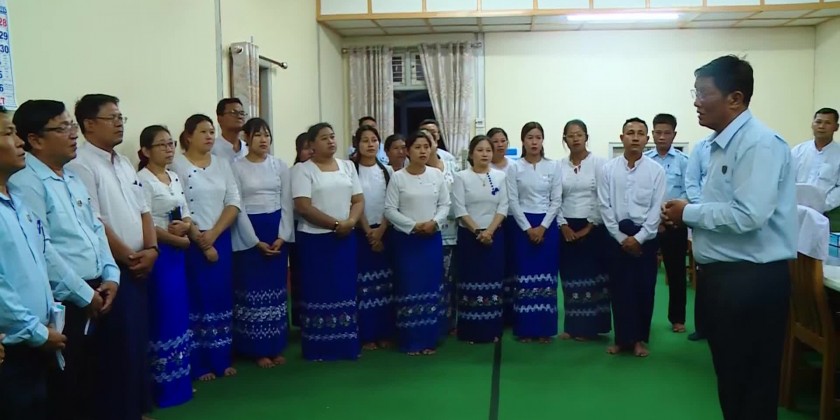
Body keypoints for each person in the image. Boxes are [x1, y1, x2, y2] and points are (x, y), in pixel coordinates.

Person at [662, 55, 796, 420]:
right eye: (695, 92)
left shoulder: (759, 144)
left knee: (752, 387)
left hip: (751, 281)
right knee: (732, 381)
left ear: (735, 98)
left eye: (704, 93)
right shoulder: (717, 145)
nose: (696, 102)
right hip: (724, 279)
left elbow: (749, 214)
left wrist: (688, 213)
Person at [8, 100, 120, 420]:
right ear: (35, 139)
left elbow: (95, 228)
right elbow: (43, 250)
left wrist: (111, 275)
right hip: (66, 299)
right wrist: (85, 295)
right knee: (67, 387)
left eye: (72, 126)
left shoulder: (71, 176)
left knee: (94, 380)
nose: (74, 134)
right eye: (63, 128)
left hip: (97, 289)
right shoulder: (26, 181)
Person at [67, 94, 158, 420]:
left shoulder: (123, 162)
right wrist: (130, 257)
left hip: (140, 263)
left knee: (138, 342)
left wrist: (152, 249)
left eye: (122, 118)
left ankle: (137, 408)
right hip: (114, 269)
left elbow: (144, 210)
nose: (120, 123)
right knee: (118, 347)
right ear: (89, 124)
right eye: (112, 118)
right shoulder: (81, 164)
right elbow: (95, 222)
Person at [0, 108, 68, 420]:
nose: (19, 143)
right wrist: (36, 331)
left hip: (39, 337)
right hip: (14, 345)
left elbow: (39, 261)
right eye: (8, 133)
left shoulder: (17, 199)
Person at [171, 114, 241, 381]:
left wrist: (214, 233)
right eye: (203, 131)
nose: (210, 136)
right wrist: (201, 239)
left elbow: (233, 201)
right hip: (191, 242)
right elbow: (179, 207)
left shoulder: (222, 164)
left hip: (219, 237)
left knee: (220, 297)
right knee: (197, 299)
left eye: (212, 131)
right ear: (188, 136)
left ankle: (221, 359)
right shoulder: (177, 165)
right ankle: (199, 364)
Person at [291, 122, 364, 361]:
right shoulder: (303, 170)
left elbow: (358, 200)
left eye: (332, 136)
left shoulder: (348, 166)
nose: (331, 141)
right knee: (319, 290)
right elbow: (303, 206)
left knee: (344, 288)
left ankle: (346, 345)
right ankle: (319, 348)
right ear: (311, 144)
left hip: (345, 238)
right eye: (324, 138)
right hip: (315, 241)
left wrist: (350, 222)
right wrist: (335, 224)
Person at [136, 125, 194, 408]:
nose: (169, 149)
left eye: (171, 144)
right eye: (162, 144)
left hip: (178, 253)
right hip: (159, 253)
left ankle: (180, 380)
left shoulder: (174, 176)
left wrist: (186, 226)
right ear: (146, 151)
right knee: (162, 314)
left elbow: (186, 213)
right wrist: (177, 239)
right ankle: (161, 387)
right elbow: (145, 222)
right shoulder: (142, 180)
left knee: (179, 313)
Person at [598, 117, 665, 358]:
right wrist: (620, 238)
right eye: (630, 133)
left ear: (647, 139)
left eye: (640, 133)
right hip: (616, 238)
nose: (635, 137)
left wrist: (639, 238)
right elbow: (604, 206)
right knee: (619, 290)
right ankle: (621, 339)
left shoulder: (656, 171)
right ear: (622, 138)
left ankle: (638, 340)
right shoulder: (608, 170)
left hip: (645, 239)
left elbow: (657, 208)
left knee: (644, 289)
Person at [230, 118, 293, 368]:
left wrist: (282, 236)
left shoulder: (280, 165)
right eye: (258, 135)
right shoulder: (236, 167)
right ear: (246, 138)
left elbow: (287, 202)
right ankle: (256, 349)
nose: (264, 139)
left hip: (276, 229)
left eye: (267, 134)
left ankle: (275, 345)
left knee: (276, 291)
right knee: (252, 290)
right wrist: (254, 241)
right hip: (250, 232)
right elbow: (238, 206)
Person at [385, 130, 450, 355]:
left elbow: (445, 204)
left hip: (431, 239)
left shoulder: (436, 175)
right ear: (408, 151)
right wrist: (413, 225)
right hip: (407, 242)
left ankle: (429, 339)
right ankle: (411, 341)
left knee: (430, 287)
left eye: (426, 146)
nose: (423, 151)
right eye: (417, 147)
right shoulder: (398, 177)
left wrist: (434, 222)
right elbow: (390, 209)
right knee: (409, 286)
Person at [507, 122, 562, 343]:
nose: (534, 142)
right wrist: (528, 228)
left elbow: (556, 200)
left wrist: (543, 227)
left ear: (542, 141)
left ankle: (545, 329)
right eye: (530, 137)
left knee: (546, 278)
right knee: (524, 277)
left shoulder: (553, 166)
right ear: (523, 141)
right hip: (522, 227)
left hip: (547, 227)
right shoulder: (514, 167)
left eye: (538, 137)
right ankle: (525, 329)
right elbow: (513, 201)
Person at [556, 119, 611, 341]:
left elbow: (602, 197)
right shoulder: (558, 166)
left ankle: (591, 328)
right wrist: (563, 225)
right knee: (570, 277)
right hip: (566, 228)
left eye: (579, 134)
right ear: (565, 140)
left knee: (592, 278)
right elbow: (555, 199)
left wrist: (589, 226)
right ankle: (572, 326)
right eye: (571, 135)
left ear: (586, 137)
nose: (575, 139)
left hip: (594, 228)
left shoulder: (600, 164)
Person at [451, 135, 508, 344]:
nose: (485, 154)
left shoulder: (500, 177)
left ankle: (492, 330)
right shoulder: (461, 177)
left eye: (488, 150)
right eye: (480, 150)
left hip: (494, 237)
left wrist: (489, 232)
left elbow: (503, 206)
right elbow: (459, 209)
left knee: (493, 281)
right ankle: (470, 331)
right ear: (471, 153)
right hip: (470, 238)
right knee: (470, 282)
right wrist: (478, 232)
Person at [643, 113, 690, 334]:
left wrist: (671, 213)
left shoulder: (684, 161)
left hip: (674, 224)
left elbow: (689, 192)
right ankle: (643, 319)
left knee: (676, 273)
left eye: (667, 133)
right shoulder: (645, 160)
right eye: (658, 133)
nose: (662, 137)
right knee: (645, 275)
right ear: (652, 134)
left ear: (674, 134)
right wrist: (655, 216)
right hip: (649, 224)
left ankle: (677, 319)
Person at [351, 125, 395, 350]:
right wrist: (368, 231)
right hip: (361, 233)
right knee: (364, 286)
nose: (370, 144)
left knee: (384, 285)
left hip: (385, 232)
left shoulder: (388, 171)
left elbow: (391, 203)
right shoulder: (351, 170)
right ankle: (367, 335)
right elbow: (354, 201)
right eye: (365, 140)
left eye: (374, 140)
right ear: (357, 144)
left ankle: (384, 332)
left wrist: (381, 231)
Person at [423, 127, 459, 336]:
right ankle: (432, 323)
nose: (425, 148)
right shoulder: (412, 169)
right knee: (431, 279)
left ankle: (450, 322)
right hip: (426, 231)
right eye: (420, 145)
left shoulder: (452, 165)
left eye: (430, 142)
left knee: (450, 279)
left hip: (452, 230)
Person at [791, 108, 840, 228]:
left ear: (836, 127)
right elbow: (788, 179)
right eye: (818, 122)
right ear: (812, 124)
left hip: (828, 215)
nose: (821, 126)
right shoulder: (798, 151)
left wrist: (821, 205)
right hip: (795, 211)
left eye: (827, 123)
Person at [684, 136, 711, 342]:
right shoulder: (701, 147)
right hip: (703, 217)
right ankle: (703, 327)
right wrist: (701, 207)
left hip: (732, 220)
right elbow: (691, 182)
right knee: (704, 274)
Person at [488, 127, 515, 325]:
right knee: (495, 266)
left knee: (511, 266)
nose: (500, 144)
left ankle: (511, 313)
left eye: (503, 140)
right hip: (489, 223)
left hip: (512, 221)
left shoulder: (515, 166)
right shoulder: (483, 166)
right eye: (495, 141)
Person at [289, 132, 312, 328]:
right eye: (305, 148)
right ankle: (301, 317)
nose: (310, 152)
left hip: (323, 227)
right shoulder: (293, 172)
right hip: (298, 227)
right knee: (300, 273)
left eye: (312, 148)